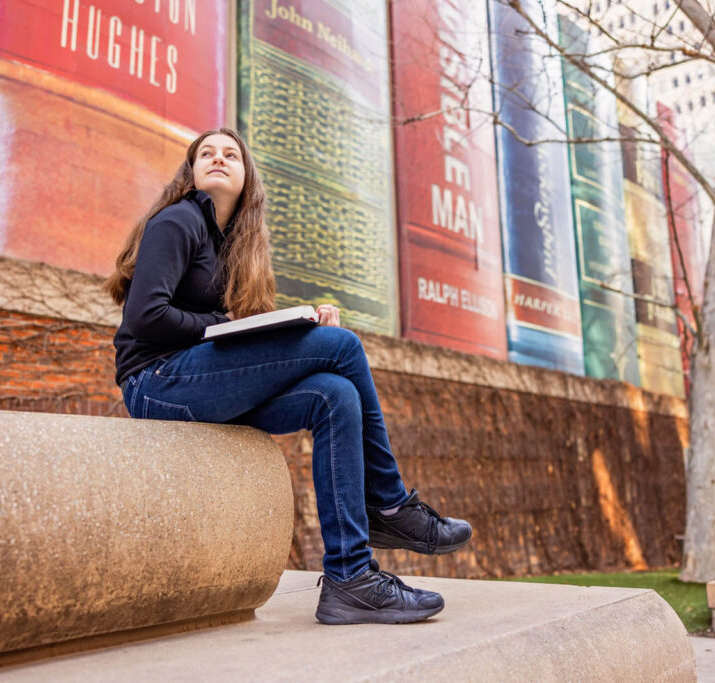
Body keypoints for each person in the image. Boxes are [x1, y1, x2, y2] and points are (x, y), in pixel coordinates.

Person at [104, 127, 472, 625]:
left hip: (195, 381)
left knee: (334, 395)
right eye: (206, 153)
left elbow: (247, 335)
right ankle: (390, 505)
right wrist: (220, 325)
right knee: (343, 348)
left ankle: (350, 580)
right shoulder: (178, 220)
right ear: (190, 173)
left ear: (246, 175)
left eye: (231, 154)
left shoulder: (232, 243)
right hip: (156, 382)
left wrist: (304, 318)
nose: (218, 158)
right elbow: (145, 317)